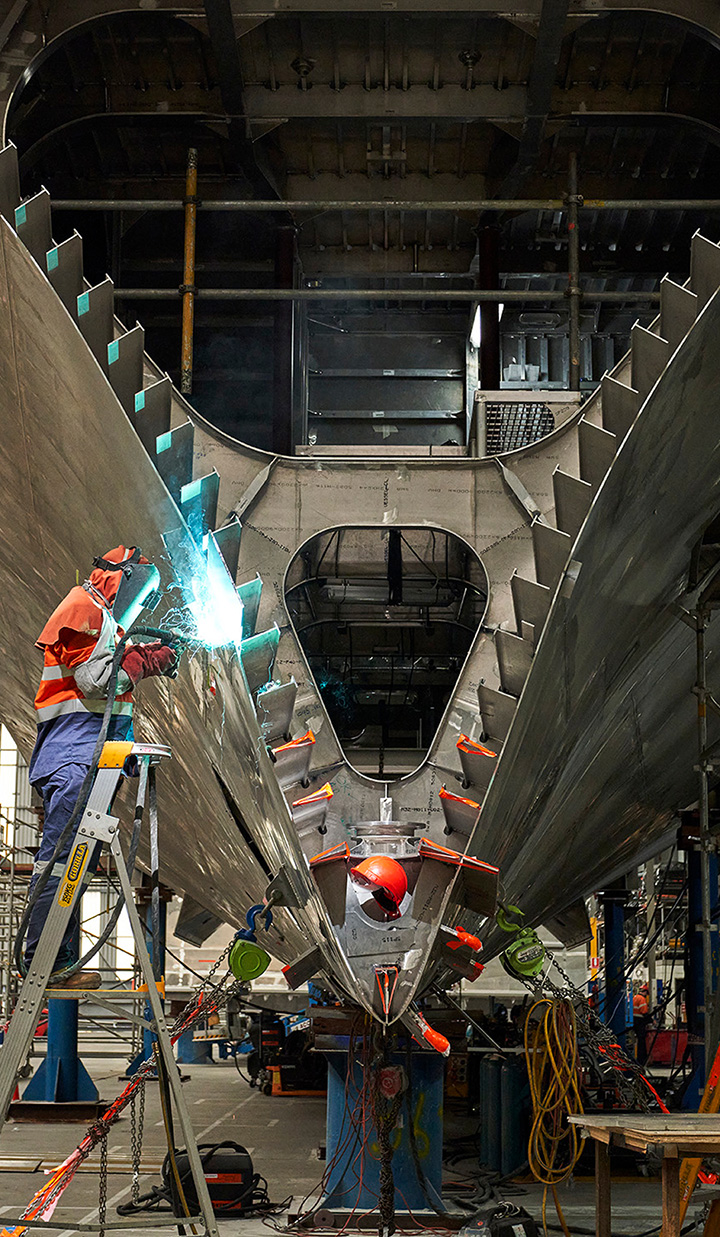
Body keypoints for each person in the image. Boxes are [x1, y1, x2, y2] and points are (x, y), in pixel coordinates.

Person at [25, 546, 177, 988]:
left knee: (77, 862)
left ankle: (60, 958)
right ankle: (44, 961)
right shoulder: (81, 607)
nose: (142, 598)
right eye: (140, 587)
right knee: (61, 862)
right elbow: (95, 681)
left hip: (91, 755)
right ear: (119, 578)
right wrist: (144, 659)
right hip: (74, 755)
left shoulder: (106, 619)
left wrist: (148, 652)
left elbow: (105, 664)